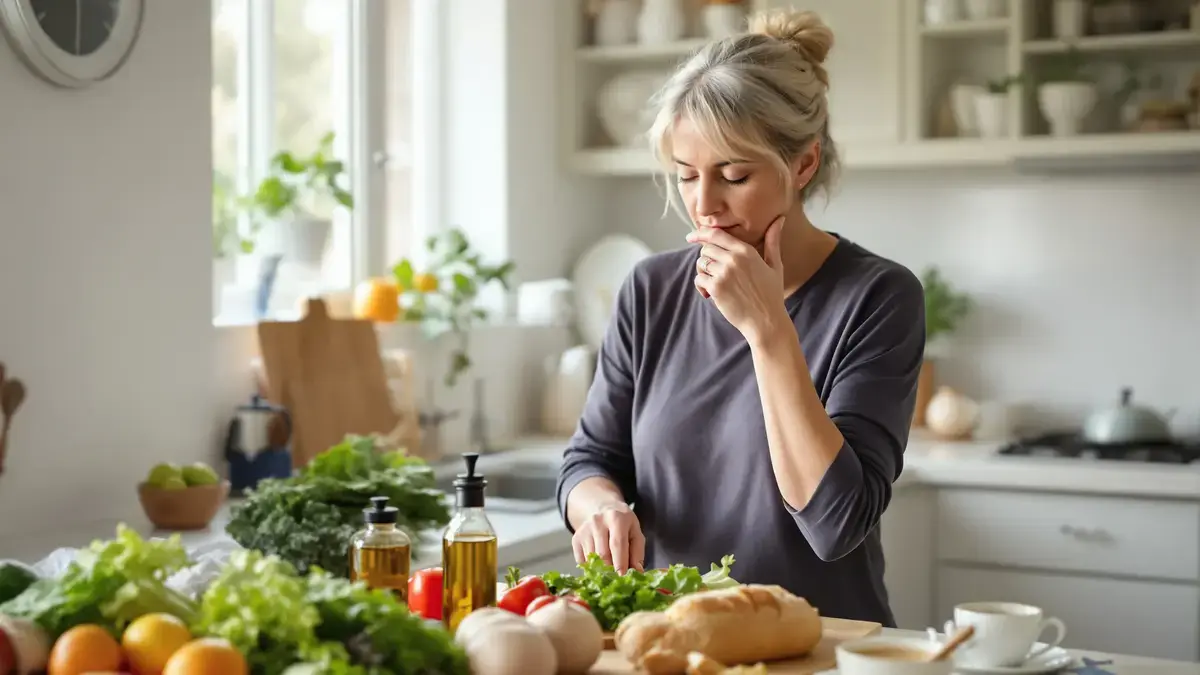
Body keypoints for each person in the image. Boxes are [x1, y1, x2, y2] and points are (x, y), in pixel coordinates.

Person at [554, 8, 926, 627]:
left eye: (733, 175)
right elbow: (589, 460)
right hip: (677, 641)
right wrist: (598, 507)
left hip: (823, 648)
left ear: (803, 164)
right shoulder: (649, 290)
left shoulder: (877, 296)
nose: (705, 205)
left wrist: (769, 329)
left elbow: (836, 524)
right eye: (687, 176)